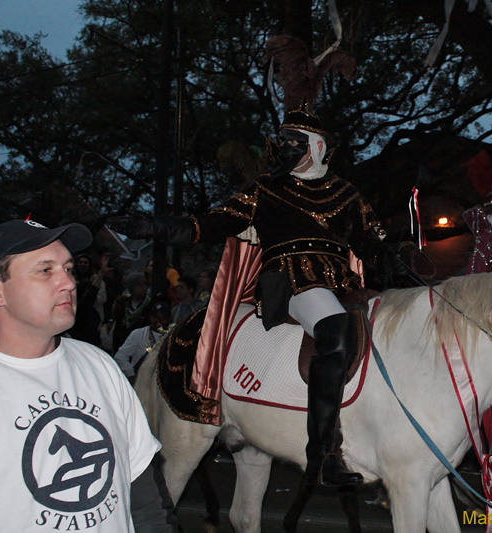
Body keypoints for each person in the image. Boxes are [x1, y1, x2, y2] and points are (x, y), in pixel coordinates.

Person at [107, 34, 399, 488]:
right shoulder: (265, 190)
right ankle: (324, 453)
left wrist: (402, 250)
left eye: (290, 142)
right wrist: (154, 226)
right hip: (294, 283)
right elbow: (208, 225)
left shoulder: (346, 192)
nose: (279, 149)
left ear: (316, 147)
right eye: (279, 141)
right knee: (335, 330)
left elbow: (376, 236)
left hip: (341, 283)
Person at [0, 219, 177, 532]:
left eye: (68, 269)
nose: (69, 282)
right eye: (46, 270)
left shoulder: (100, 366)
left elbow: (144, 495)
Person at [114, 300, 173, 382]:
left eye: (163, 317)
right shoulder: (138, 334)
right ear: (150, 317)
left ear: (169, 319)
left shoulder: (172, 337)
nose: (158, 320)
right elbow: (120, 356)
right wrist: (130, 374)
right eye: (155, 316)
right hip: (140, 382)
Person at [111, 272, 152, 354]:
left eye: (145, 284)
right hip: (125, 349)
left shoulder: (151, 305)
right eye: (139, 285)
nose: (143, 287)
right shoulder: (123, 306)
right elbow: (117, 331)